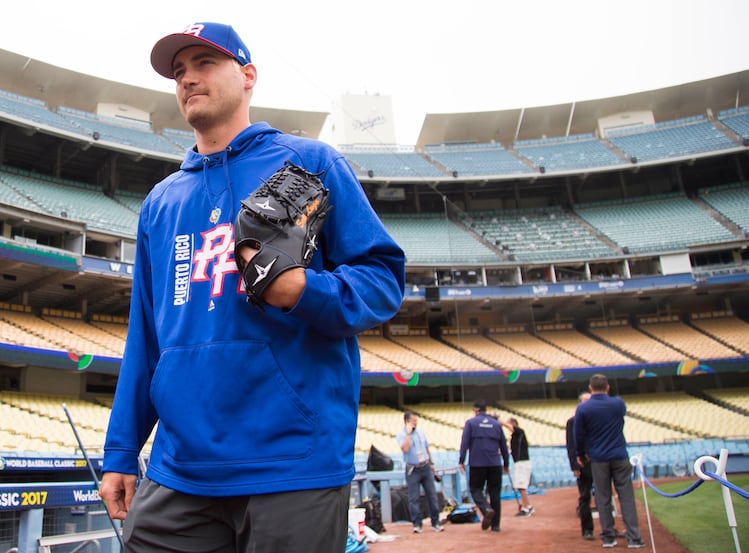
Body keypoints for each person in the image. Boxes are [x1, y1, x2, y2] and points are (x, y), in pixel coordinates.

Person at [99, 21, 406, 553]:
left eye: (204, 64)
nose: (188, 79)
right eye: (178, 71)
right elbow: (145, 338)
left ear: (247, 76)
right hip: (179, 468)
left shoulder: (309, 163)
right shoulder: (161, 202)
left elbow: (381, 281)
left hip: (291, 463)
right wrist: (123, 451)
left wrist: (302, 290)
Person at [574, 374, 646, 549]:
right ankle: (634, 537)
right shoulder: (618, 403)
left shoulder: (584, 408)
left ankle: (608, 537)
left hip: (598, 457)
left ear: (590, 389)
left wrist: (581, 454)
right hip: (619, 454)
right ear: (608, 388)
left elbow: (579, 434)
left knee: (603, 497)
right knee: (626, 496)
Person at [458, 399, 510, 532]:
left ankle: (486, 509)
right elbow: (503, 445)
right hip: (494, 463)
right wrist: (506, 463)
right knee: (495, 493)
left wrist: (461, 460)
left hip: (477, 463)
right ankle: (496, 525)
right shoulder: (496, 424)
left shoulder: (470, 423)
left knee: (475, 488)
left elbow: (464, 443)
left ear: (476, 410)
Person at [397, 411, 444, 534]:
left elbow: (426, 448)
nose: (415, 423)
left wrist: (432, 463)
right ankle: (417, 524)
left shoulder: (421, 432)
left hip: (425, 467)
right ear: (407, 421)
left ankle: (436, 522)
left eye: (416, 421)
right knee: (414, 498)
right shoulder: (401, 435)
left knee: (432, 495)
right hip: (413, 469)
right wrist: (408, 434)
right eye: (413, 421)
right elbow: (405, 449)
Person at [567, 391, 595, 540]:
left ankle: (609, 528)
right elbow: (571, 445)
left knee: (605, 496)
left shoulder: (597, 419)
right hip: (582, 464)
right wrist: (575, 467)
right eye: (585, 401)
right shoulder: (572, 422)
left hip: (599, 461)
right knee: (585, 497)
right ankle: (587, 529)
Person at [502, 416, 533, 516]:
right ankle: (527, 505)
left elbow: (509, 426)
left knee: (521, 485)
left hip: (522, 462)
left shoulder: (519, 432)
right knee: (520, 486)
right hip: (519, 462)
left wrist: (498, 421)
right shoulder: (514, 437)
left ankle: (526, 508)